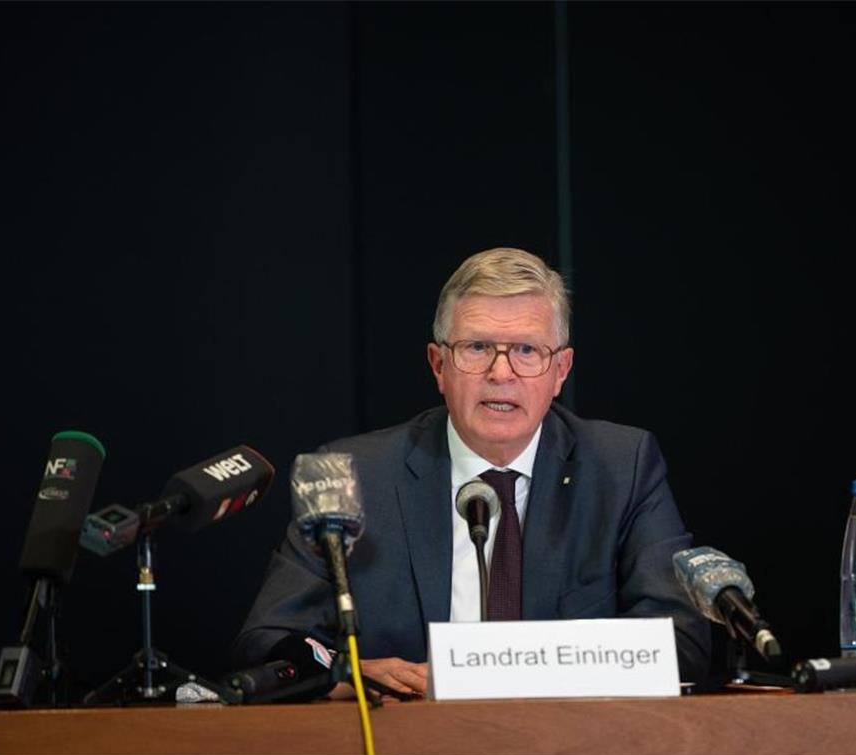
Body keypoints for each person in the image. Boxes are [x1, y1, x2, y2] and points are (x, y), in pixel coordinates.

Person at [234, 247, 711, 696]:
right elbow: (269, 638)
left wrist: (533, 675)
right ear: (439, 365)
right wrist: (345, 671)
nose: (501, 373)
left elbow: (681, 640)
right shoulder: (356, 475)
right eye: (478, 347)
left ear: (561, 370)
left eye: (527, 351)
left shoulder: (620, 466)